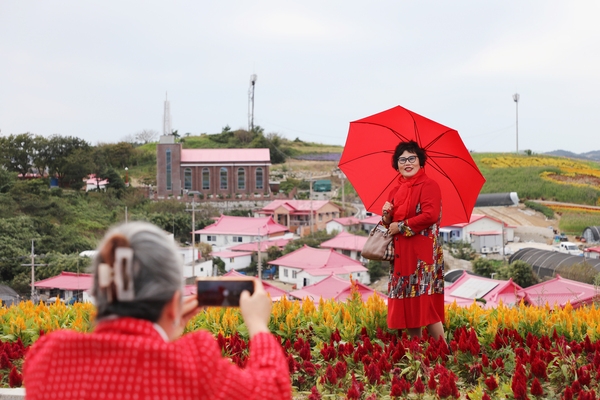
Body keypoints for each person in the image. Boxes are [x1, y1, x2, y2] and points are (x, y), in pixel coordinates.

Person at [23, 221, 292, 400]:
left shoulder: (49, 356)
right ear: (174, 299)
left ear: (102, 292)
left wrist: (168, 328)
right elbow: (273, 391)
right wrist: (258, 325)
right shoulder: (193, 362)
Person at [381, 140, 446, 342]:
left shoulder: (429, 185)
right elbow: (389, 224)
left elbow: (430, 215)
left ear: (420, 161)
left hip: (422, 256)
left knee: (425, 306)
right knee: (409, 306)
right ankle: (415, 356)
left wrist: (399, 226)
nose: (407, 163)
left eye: (412, 158)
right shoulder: (395, 190)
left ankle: (444, 353)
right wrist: (386, 216)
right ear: (396, 163)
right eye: (402, 159)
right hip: (402, 255)